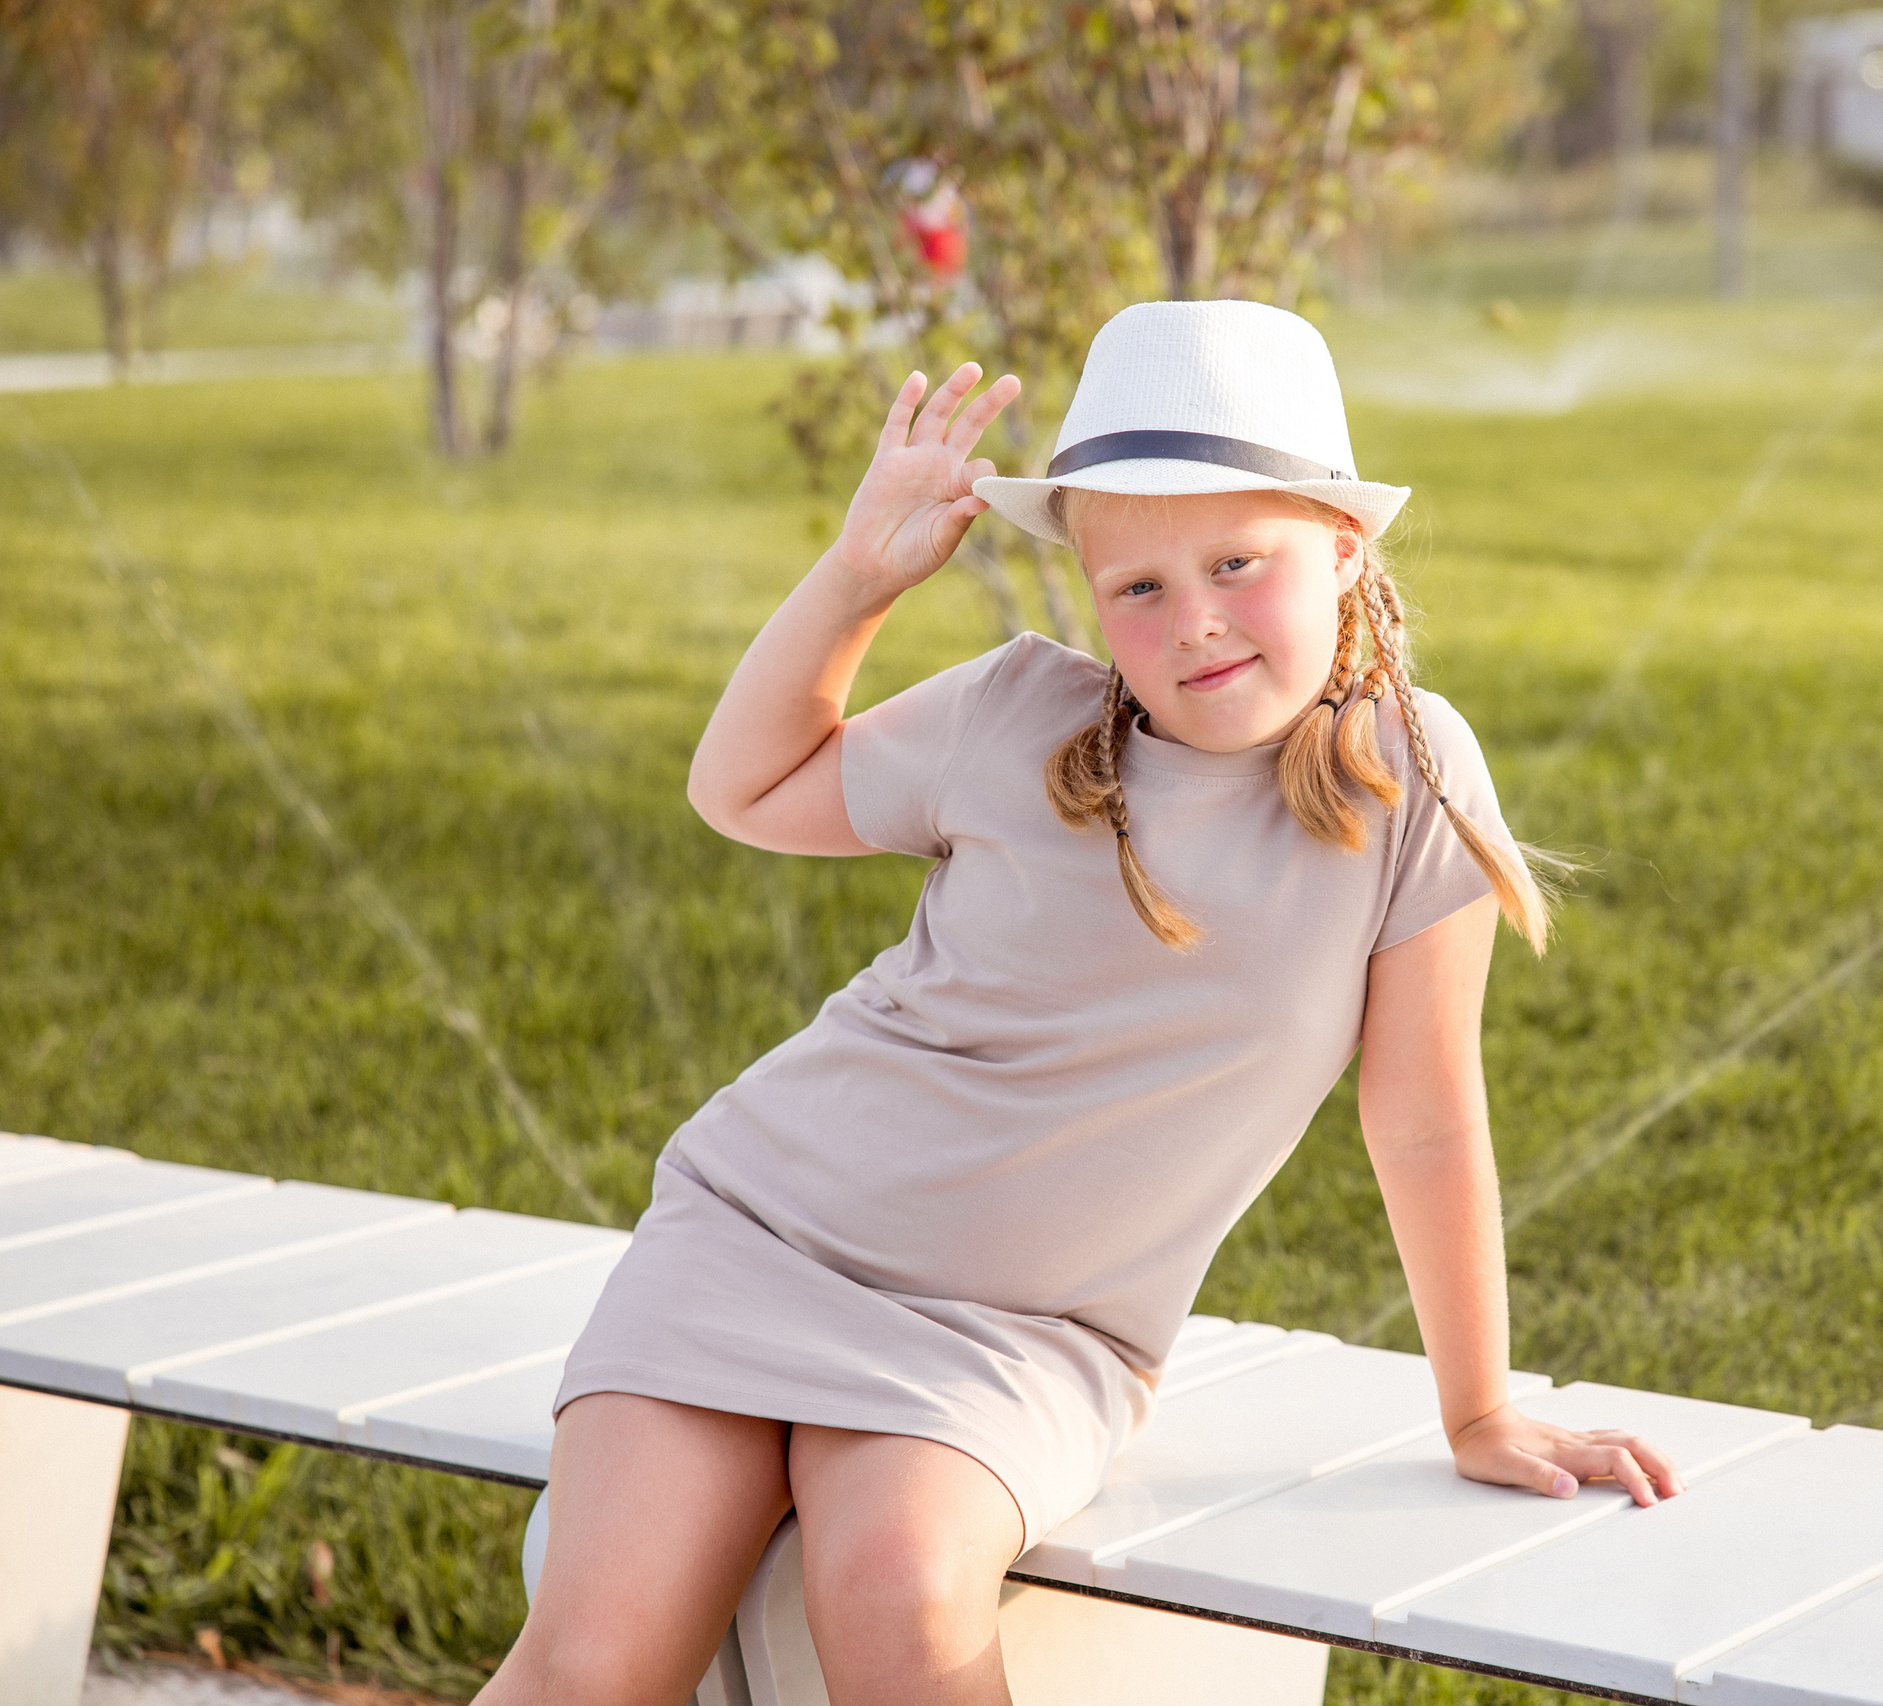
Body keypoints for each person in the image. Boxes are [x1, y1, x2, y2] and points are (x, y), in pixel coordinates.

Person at [477, 300, 1684, 1706]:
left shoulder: (1407, 776)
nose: (1196, 621)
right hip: (760, 1235)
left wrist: (1478, 1407)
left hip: (1024, 1335)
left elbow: (1422, 1115)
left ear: (1345, 548)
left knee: (898, 1598)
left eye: (1238, 562)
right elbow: (740, 788)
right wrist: (859, 581)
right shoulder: (1016, 716)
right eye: (1138, 588)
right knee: (596, 1661)